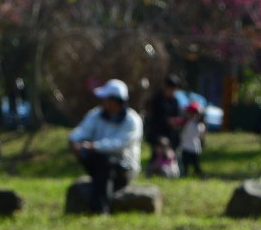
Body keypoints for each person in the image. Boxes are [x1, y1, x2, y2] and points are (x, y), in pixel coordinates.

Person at [69, 78, 143, 214]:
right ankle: (99, 208)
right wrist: (76, 142)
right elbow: (81, 131)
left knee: (105, 168)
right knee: (102, 165)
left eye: (106, 98)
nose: (103, 101)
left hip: (123, 168)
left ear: (115, 100)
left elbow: (120, 144)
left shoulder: (132, 120)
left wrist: (95, 146)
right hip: (99, 162)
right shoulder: (96, 115)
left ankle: (99, 208)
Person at [144, 73, 182, 159]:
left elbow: (177, 114)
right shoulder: (157, 99)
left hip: (171, 131)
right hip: (158, 130)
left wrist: (176, 120)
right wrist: (166, 120)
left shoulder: (175, 101)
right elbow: (154, 115)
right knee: (158, 151)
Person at [179, 100, 206, 177]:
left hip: (191, 147)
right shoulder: (199, 125)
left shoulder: (192, 124)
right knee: (187, 165)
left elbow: (183, 134)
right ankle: (188, 175)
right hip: (189, 147)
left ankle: (199, 175)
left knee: (193, 165)